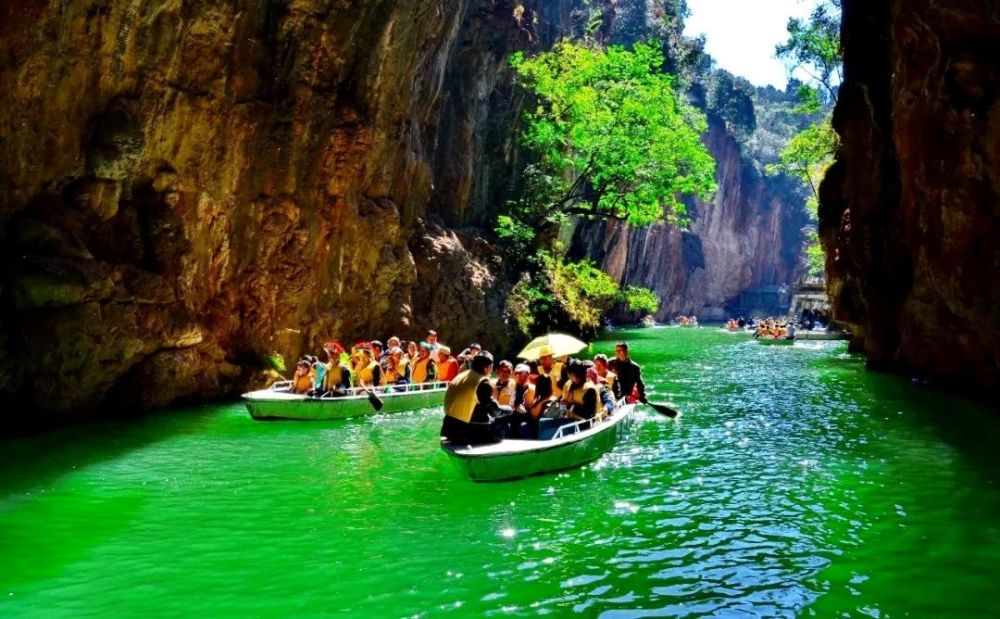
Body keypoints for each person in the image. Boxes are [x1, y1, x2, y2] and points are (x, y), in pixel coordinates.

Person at [440, 351, 511, 445]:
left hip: (448, 428)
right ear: (487, 368)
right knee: (504, 420)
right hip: (466, 433)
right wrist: (509, 409)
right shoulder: (483, 383)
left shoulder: (461, 375)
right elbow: (494, 411)